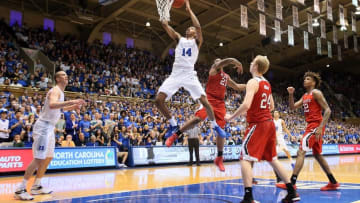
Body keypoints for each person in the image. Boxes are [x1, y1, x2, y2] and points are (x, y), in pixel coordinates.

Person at [225, 55, 300, 203]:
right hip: (269, 123)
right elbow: (271, 106)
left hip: (258, 124)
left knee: (244, 158)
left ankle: (248, 197)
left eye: (252, 62)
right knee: (273, 159)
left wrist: (231, 117)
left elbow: (246, 105)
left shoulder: (253, 81)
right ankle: (292, 192)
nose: (250, 64)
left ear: (256, 66)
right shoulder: (266, 83)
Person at [155, 0, 226, 142]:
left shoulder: (197, 42)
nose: (190, 29)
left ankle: (215, 125)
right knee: (158, 100)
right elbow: (165, 25)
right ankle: (174, 125)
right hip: (175, 74)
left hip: (189, 74)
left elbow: (199, 27)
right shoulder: (179, 39)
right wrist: (164, 14)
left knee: (205, 102)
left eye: (191, 28)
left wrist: (189, 10)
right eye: (188, 28)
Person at [14, 71, 85, 201]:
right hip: (43, 126)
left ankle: (37, 185)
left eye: (66, 75)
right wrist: (72, 101)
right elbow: (52, 105)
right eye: (63, 75)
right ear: (57, 79)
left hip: (50, 127)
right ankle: (21, 188)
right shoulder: (55, 90)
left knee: (48, 157)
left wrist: (71, 107)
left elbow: (58, 109)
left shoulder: (61, 93)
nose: (66, 76)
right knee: (38, 159)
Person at [166, 58, 244, 172]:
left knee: (221, 129)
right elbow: (225, 62)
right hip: (209, 99)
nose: (217, 62)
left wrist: (252, 85)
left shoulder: (226, 76)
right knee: (198, 119)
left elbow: (237, 86)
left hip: (220, 103)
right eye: (216, 61)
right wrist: (236, 62)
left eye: (219, 61)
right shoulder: (214, 70)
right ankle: (175, 135)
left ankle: (219, 158)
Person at [276, 71, 340, 191]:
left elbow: (328, 110)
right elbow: (292, 107)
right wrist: (291, 94)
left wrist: (320, 127)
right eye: (304, 79)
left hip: (315, 126)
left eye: (308, 79)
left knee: (301, 152)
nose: (305, 80)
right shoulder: (305, 95)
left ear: (314, 82)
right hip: (312, 125)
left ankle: (292, 183)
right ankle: (333, 182)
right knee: (317, 155)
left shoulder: (316, 92)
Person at [273, 110, 295, 183]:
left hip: (280, 138)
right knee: (274, 156)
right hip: (274, 139)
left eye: (277, 112)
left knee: (286, 150)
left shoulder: (281, 121)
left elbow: (285, 129)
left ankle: (292, 163)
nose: (276, 113)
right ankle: (278, 171)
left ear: (279, 114)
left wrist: (291, 136)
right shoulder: (272, 121)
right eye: (275, 112)